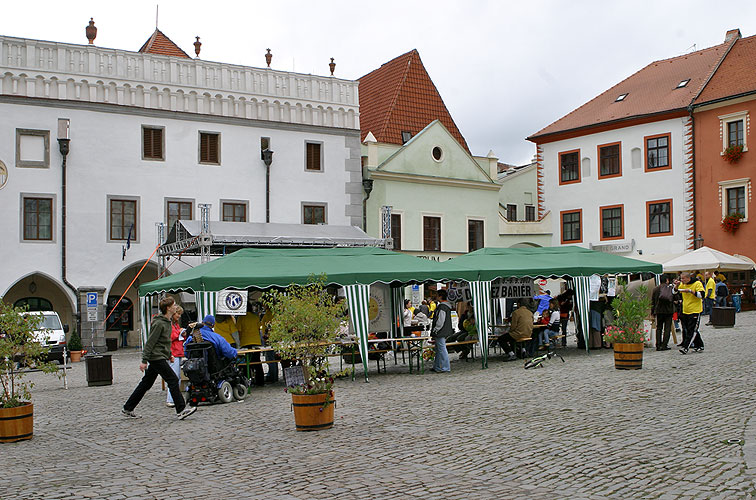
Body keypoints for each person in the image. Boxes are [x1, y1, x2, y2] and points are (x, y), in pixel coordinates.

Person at [122, 296, 196, 420]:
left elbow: (164, 342)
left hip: (160, 355)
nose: (175, 307)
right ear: (168, 308)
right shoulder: (159, 323)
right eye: (173, 305)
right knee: (172, 379)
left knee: (146, 383)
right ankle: (181, 410)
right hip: (156, 357)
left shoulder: (167, 322)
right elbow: (151, 342)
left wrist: (169, 355)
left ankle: (128, 407)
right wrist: (144, 360)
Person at [674, 272, 705, 354]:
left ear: (688, 278)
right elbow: (674, 292)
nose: (682, 280)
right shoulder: (682, 285)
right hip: (685, 310)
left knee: (692, 330)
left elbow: (702, 295)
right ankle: (700, 345)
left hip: (695, 310)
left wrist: (691, 291)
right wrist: (676, 286)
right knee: (690, 329)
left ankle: (686, 347)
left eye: (683, 278)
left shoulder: (697, 283)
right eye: (681, 278)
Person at [236, 303, 265, 387]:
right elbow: (258, 328)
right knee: (257, 362)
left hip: (245, 342)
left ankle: (246, 381)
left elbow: (239, 330)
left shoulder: (241, 318)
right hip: (256, 342)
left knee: (246, 364)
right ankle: (260, 381)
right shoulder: (255, 317)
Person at [166, 305, 185, 407]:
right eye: (178, 314)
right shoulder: (170, 325)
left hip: (177, 352)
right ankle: (171, 399)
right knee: (174, 377)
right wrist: (180, 332)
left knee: (176, 377)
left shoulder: (175, 324)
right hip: (173, 353)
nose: (179, 316)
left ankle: (174, 398)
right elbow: (171, 336)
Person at [429, 289, 452, 373]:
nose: (436, 296)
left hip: (440, 331)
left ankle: (445, 367)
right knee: (439, 349)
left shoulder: (442, 307)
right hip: (443, 330)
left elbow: (440, 320)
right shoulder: (446, 306)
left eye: (437, 295)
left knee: (441, 349)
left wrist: (436, 329)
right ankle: (438, 366)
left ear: (440, 296)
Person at [651, 275, 675, 351]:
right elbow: (674, 298)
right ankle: (664, 344)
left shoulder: (656, 289)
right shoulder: (670, 289)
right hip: (668, 310)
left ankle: (658, 344)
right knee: (667, 328)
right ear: (667, 280)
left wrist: (653, 312)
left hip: (659, 310)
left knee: (659, 328)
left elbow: (653, 301)